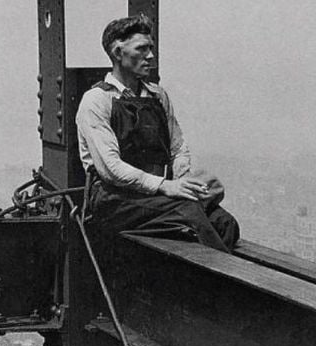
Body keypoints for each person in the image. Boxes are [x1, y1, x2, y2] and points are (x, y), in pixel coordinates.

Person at [76, 15, 239, 253]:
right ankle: (220, 286)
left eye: (150, 48)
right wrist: (165, 186)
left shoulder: (157, 96)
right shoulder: (97, 101)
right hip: (114, 200)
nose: (150, 56)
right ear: (117, 52)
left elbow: (178, 147)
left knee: (226, 223)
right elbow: (110, 169)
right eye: (142, 49)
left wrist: (183, 183)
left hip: (153, 196)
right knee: (190, 214)